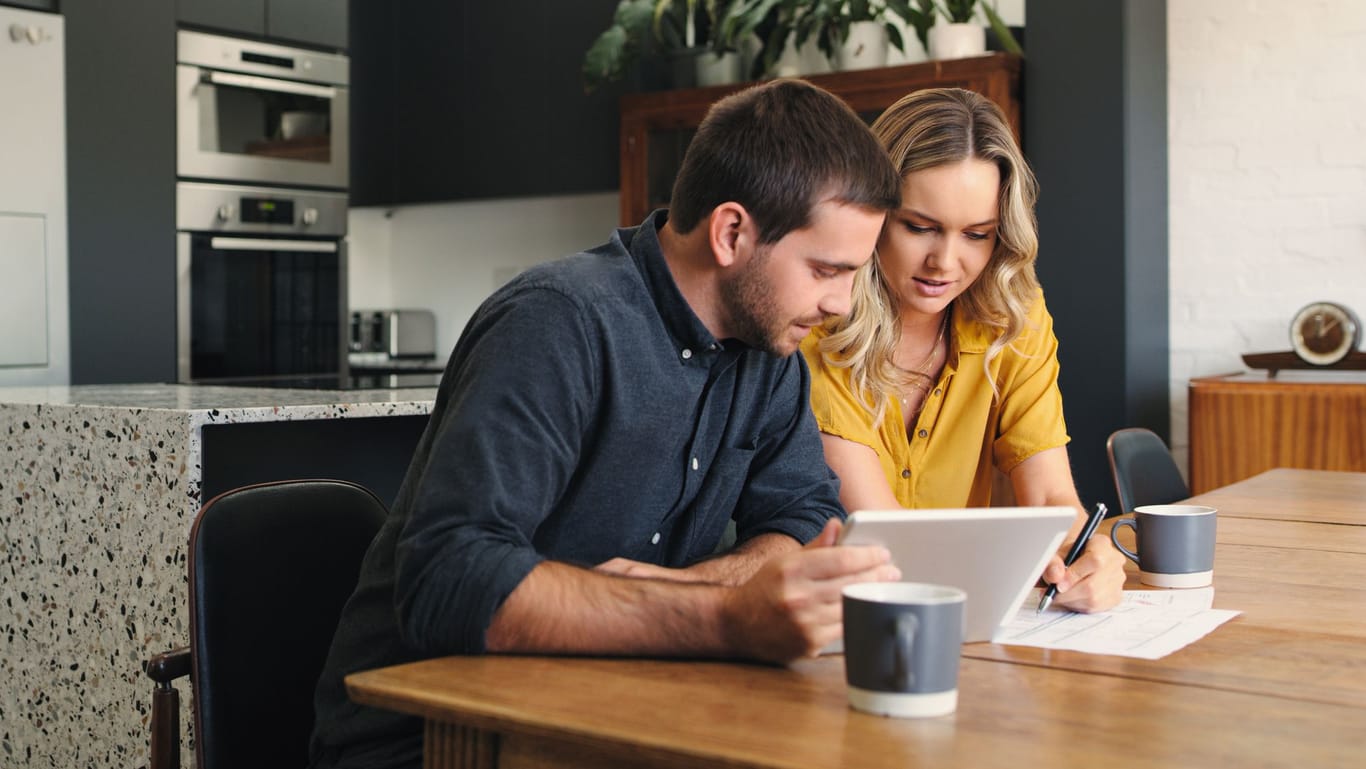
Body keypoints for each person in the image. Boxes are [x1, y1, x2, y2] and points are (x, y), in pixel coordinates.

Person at [308, 78, 904, 769]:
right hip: (430, 740)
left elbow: (803, 518)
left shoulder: (771, 350)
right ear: (732, 232)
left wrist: (687, 588)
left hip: (614, 711)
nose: (840, 302)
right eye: (827, 269)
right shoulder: (555, 322)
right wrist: (725, 617)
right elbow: (449, 579)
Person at [800, 87, 1125, 613]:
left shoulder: (1012, 316)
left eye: (977, 235)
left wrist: (1081, 555)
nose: (945, 263)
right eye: (920, 227)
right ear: (872, 211)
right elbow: (886, 540)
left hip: (956, 614)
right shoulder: (820, 323)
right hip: (839, 619)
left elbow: (1049, 498)